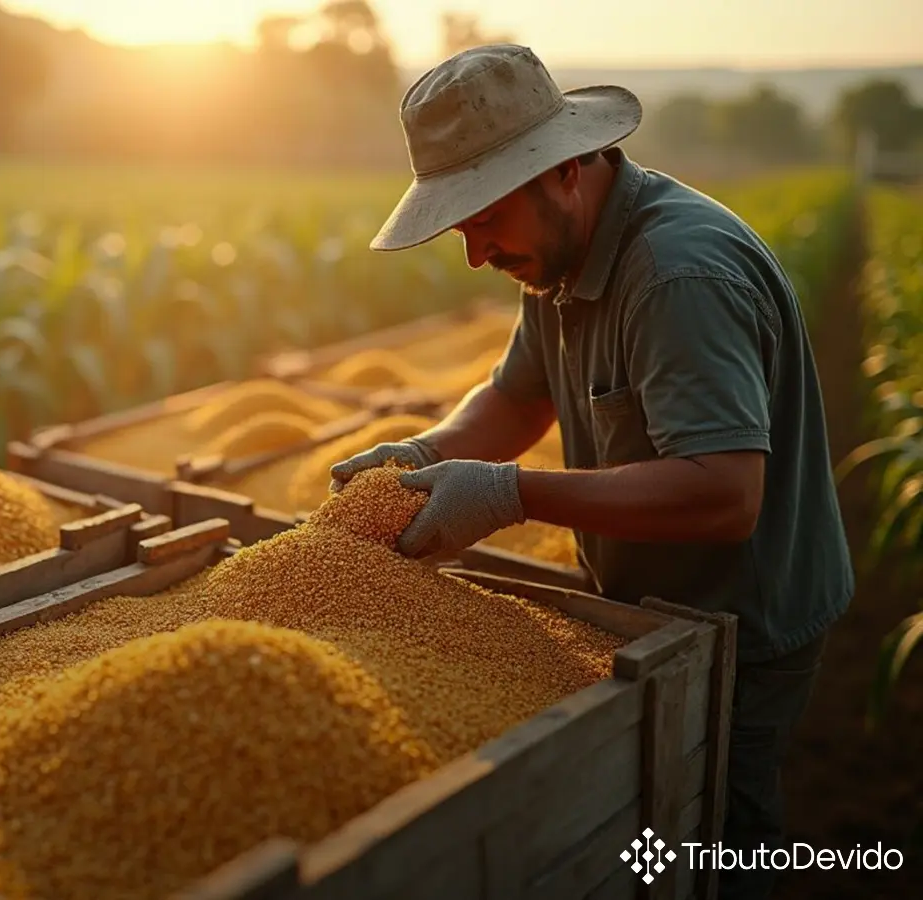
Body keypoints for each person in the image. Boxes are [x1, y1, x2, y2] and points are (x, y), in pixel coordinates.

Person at [329, 44, 852, 900]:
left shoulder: (678, 277)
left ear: (564, 168)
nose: (473, 253)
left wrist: (510, 493)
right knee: (647, 835)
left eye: (481, 217)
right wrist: (429, 453)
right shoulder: (560, 258)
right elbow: (516, 397)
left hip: (742, 619)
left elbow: (725, 493)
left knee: (715, 838)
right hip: (649, 599)